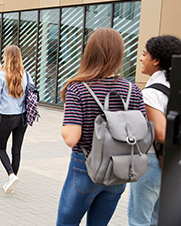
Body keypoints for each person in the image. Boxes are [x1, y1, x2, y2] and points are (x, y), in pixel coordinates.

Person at [56, 28, 146, 226]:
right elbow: (143, 134)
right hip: (120, 168)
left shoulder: (78, 88)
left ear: (90, 52)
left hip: (86, 166)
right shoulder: (132, 90)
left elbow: (71, 137)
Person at [128, 35, 181, 226]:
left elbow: (160, 133)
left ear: (156, 60)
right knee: (159, 220)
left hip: (152, 161)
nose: (141, 59)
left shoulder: (151, 93)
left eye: (144, 54)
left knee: (138, 221)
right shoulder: (174, 87)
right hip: (171, 163)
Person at [0, 45, 32, 194]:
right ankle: (12, 181)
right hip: (23, 117)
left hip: (7, 116)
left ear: (6, 57)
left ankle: (11, 175)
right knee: (16, 150)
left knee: (1, 148)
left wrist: (5, 102)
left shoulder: (1, 76)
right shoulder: (27, 75)